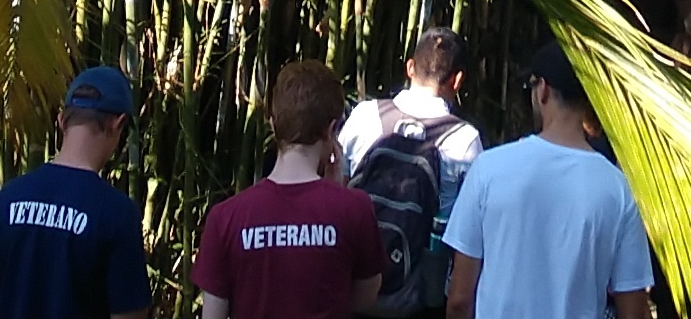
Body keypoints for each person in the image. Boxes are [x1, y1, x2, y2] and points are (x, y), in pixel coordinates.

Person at [443, 43, 656, 319]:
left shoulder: (489, 169)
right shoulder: (617, 189)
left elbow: (460, 299)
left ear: (542, 89)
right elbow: (633, 311)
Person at [197, 56, 390, 319]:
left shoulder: (225, 218)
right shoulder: (355, 208)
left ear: (273, 125)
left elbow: (213, 315)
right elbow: (365, 297)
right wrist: (337, 193)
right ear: (331, 130)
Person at [0, 65, 151, 319]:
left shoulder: (8, 198)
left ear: (62, 120)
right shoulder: (117, 214)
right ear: (117, 124)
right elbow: (129, 315)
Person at [343, 28, 482, 313]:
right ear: (457, 80)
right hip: (418, 295)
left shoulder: (365, 115)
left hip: (352, 284)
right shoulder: (465, 139)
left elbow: (335, 188)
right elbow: (467, 229)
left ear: (409, 67)